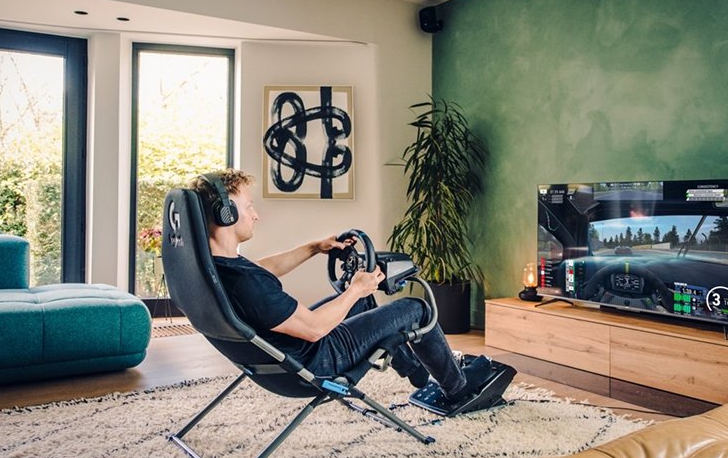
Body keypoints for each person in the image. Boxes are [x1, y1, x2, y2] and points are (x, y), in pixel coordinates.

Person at [189, 168, 497, 405]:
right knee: (417, 308)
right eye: (248, 206)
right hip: (315, 364)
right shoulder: (245, 282)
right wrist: (357, 288)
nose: (255, 215)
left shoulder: (215, 268)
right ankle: (458, 388)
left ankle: (415, 369)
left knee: (362, 305)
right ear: (225, 213)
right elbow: (312, 329)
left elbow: (265, 269)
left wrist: (315, 247)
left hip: (278, 363)